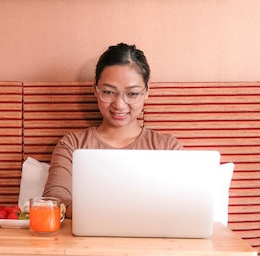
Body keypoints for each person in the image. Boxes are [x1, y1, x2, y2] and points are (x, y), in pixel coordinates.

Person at [42, 43, 183, 218]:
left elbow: (183, 204)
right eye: (109, 92)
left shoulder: (168, 148)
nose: (119, 104)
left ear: (146, 91)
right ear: (95, 88)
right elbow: (54, 200)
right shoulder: (72, 145)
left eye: (132, 94)